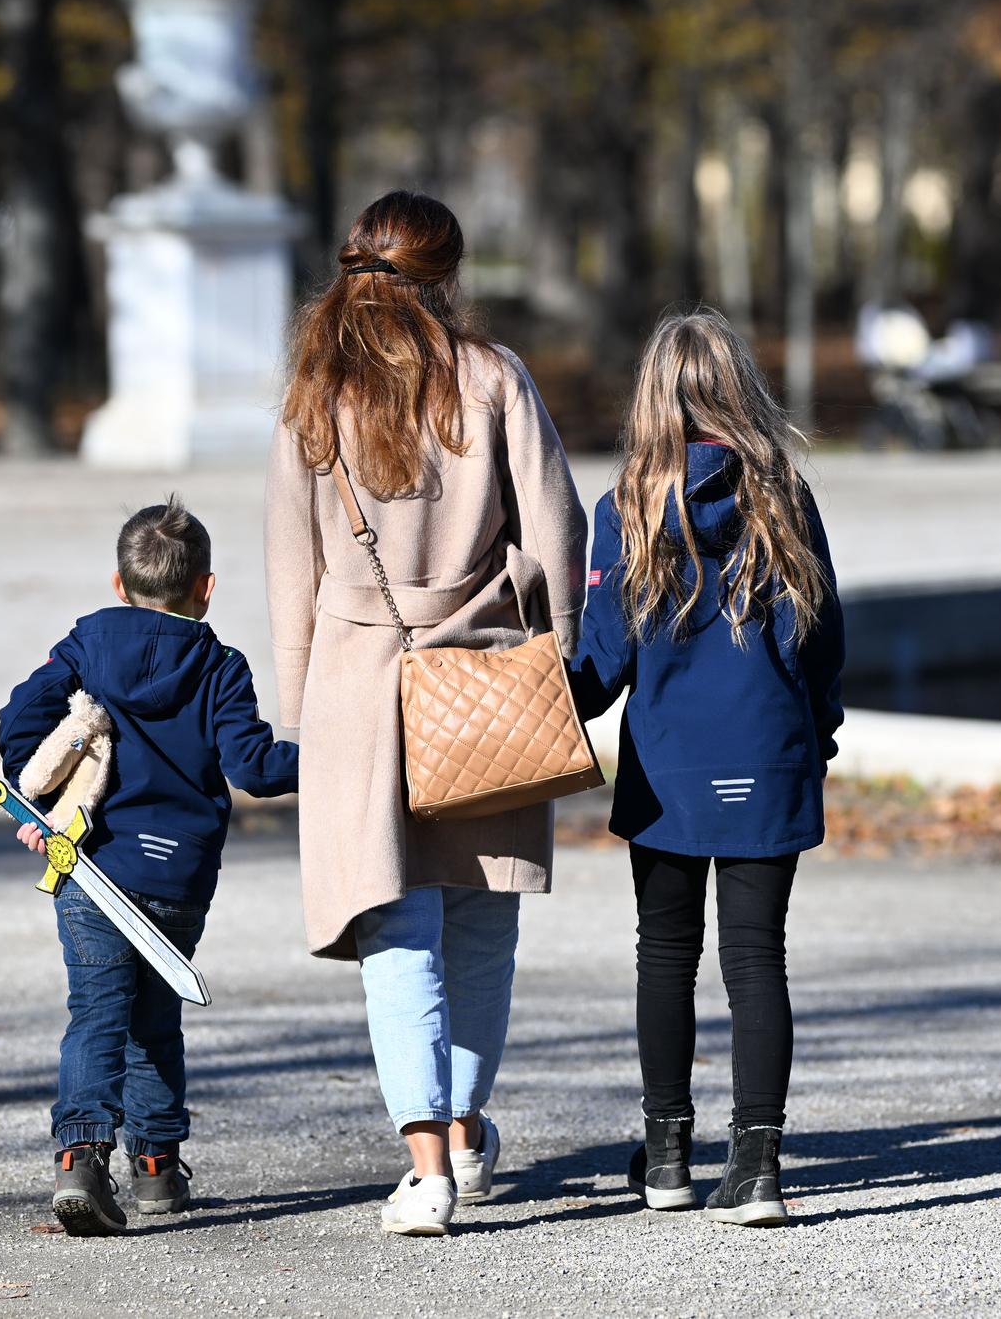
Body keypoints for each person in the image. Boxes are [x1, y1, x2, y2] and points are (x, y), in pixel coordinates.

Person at [265, 190, 586, 1237]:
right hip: (485, 679)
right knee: (481, 914)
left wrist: (299, 702)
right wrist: (560, 649)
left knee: (395, 926)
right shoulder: (493, 378)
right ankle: (464, 1127)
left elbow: (290, 561)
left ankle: (427, 1165)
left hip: (359, 686)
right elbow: (558, 525)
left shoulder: (317, 394)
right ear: (444, 275)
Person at [568, 307, 845, 1227]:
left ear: (653, 399)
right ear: (742, 390)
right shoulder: (786, 498)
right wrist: (821, 738)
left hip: (669, 769)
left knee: (666, 957)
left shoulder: (628, 511)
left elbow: (602, 666)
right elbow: (823, 645)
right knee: (758, 959)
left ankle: (668, 1158)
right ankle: (759, 1164)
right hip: (770, 754)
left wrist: (525, 698)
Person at [0, 496, 299, 1235]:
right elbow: (254, 767)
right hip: (176, 878)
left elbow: (20, 721)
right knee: (155, 1018)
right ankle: (158, 1168)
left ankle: (80, 1157)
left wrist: (36, 806)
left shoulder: (87, 644)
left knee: (97, 1014)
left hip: (91, 863)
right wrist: (336, 752)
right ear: (206, 587)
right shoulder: (221, 666)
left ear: (117, 581)